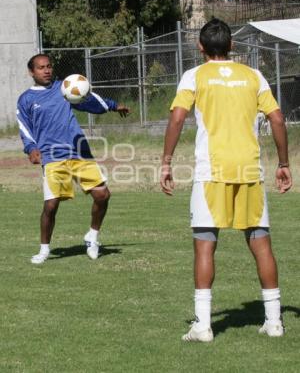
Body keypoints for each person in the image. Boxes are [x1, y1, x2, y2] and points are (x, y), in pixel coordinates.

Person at [160, 18, 292, 342]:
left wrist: (166, 161)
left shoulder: (194, 75)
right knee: (261, 244)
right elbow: (277, 117)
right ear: (232, 46)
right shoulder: (253, 75)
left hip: (211, 172)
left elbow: (178, 116)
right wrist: (284, 162)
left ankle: (203, 326)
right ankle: (274, 321)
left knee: (205, 246)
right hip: (249, 169)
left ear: (200, 47)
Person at [17, 54, 129, 264]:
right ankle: (44, 249)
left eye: (49, 66)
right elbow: (24, 127)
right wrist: (31, 148)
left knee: (102, 195)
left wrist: (113, 105)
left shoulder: (65, 88)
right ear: (32, 72)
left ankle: (92, 237)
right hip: (52, 156)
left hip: (79, 152)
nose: (46, 70)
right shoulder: (26, 99)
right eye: (41, 68)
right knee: (51, 205)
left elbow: (89, 100)